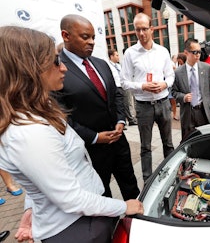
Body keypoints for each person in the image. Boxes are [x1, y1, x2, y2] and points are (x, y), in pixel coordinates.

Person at [0, 25, 143, 242]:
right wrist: (123, 206)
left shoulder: (39, 109)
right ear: (29, 68)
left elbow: (39, 175)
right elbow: (71, 198)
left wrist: (31, 208)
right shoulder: (29, 132)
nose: (63, 68)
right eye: (55, 61)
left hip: (88, 216)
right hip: (78, 228)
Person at [54, 14, 140, 200]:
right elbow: (61, 115)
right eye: (85, 37)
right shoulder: (57, 69)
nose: (92, 42)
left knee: (131, 186)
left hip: (118, 140)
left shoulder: (101, 63)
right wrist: (94, 137)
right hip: (90, 150)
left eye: (93, 37)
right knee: (102, 194)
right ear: (66, 35)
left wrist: (120, 120)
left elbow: (115, 94)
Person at [120, 12, 175, 182]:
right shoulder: (130, 53)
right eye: (138, 30)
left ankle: (170, 175)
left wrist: (165, 84)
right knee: (145, 146)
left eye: (144, 29)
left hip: (163, 102)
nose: (141, 33)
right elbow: (124, 82)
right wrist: (142, 86)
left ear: (152, 29)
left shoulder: (163, 51)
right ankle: (147, 181)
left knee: (168, 143)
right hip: (143, 106)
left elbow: (171, 76)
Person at [172, 38, 210, 141]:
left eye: (199, 51)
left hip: (203, 110)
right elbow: (173, 92)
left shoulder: (206, 68)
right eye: (194, 52)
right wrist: (183, 97)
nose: (198, 54)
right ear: (186, 52)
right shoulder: (178, 72)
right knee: (189, 140)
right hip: (188, 112)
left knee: (205, 139)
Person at [107, 48, 137, 126]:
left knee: (127, 103)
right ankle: (123, 121)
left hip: (123, 86)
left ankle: (131, 119)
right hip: (116, 87)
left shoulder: (118, 66)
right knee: (119, 105)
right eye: (116, 55)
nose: (118, 57)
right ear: (111, 56)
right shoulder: (108, 66)